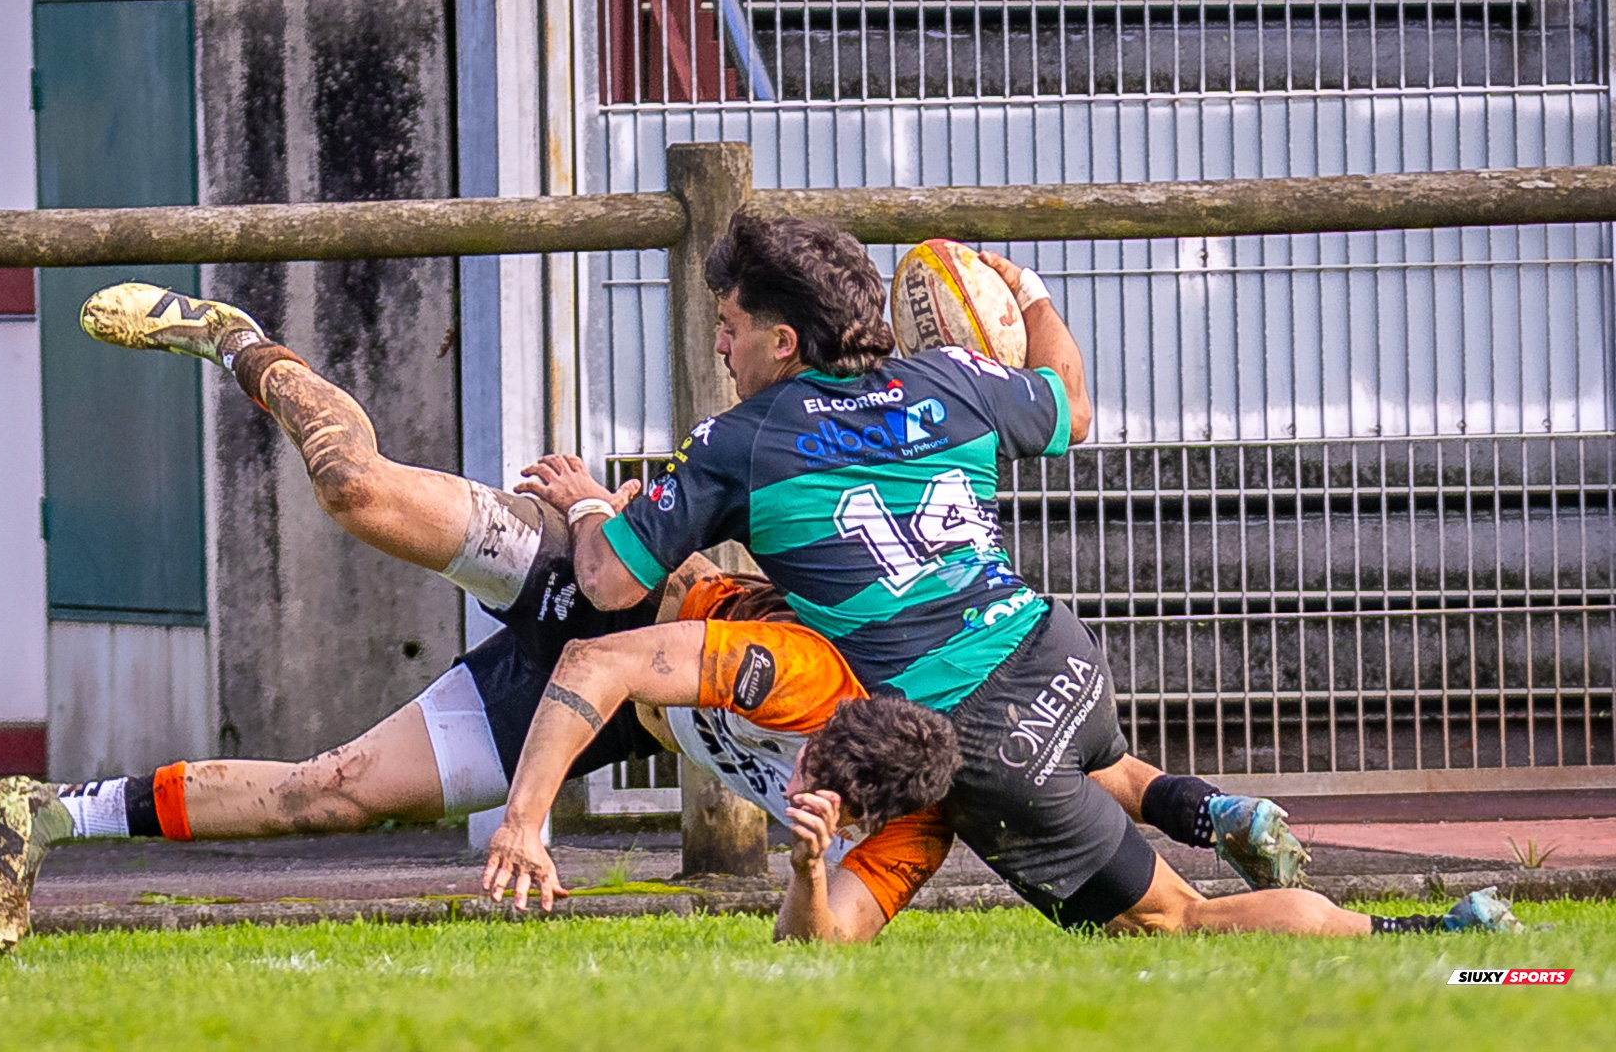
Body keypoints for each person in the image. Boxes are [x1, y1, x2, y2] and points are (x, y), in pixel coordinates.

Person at [0, 279, 1272, 953]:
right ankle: (240, 338)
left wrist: (804, 868)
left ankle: (47, 810)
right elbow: (607, 650)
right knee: (358, 490)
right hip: (613, 596)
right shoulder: (802, 670)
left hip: (616, 699)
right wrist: (528, 815)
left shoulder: (921, 815)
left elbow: (849, 923)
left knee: (332, 793)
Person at [487, 215, 1520, 939]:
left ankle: (1431, 936)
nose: (721, 345)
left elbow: (608, 584)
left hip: (974, 729)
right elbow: (1071, 403)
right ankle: (1215, 811)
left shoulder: (742, 439)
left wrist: (588, 503)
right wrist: (1030, 293)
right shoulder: (954, 378)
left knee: (1176, 919)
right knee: (1105, 770)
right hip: (1054, 648)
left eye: (731, 325)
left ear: (783, 339)